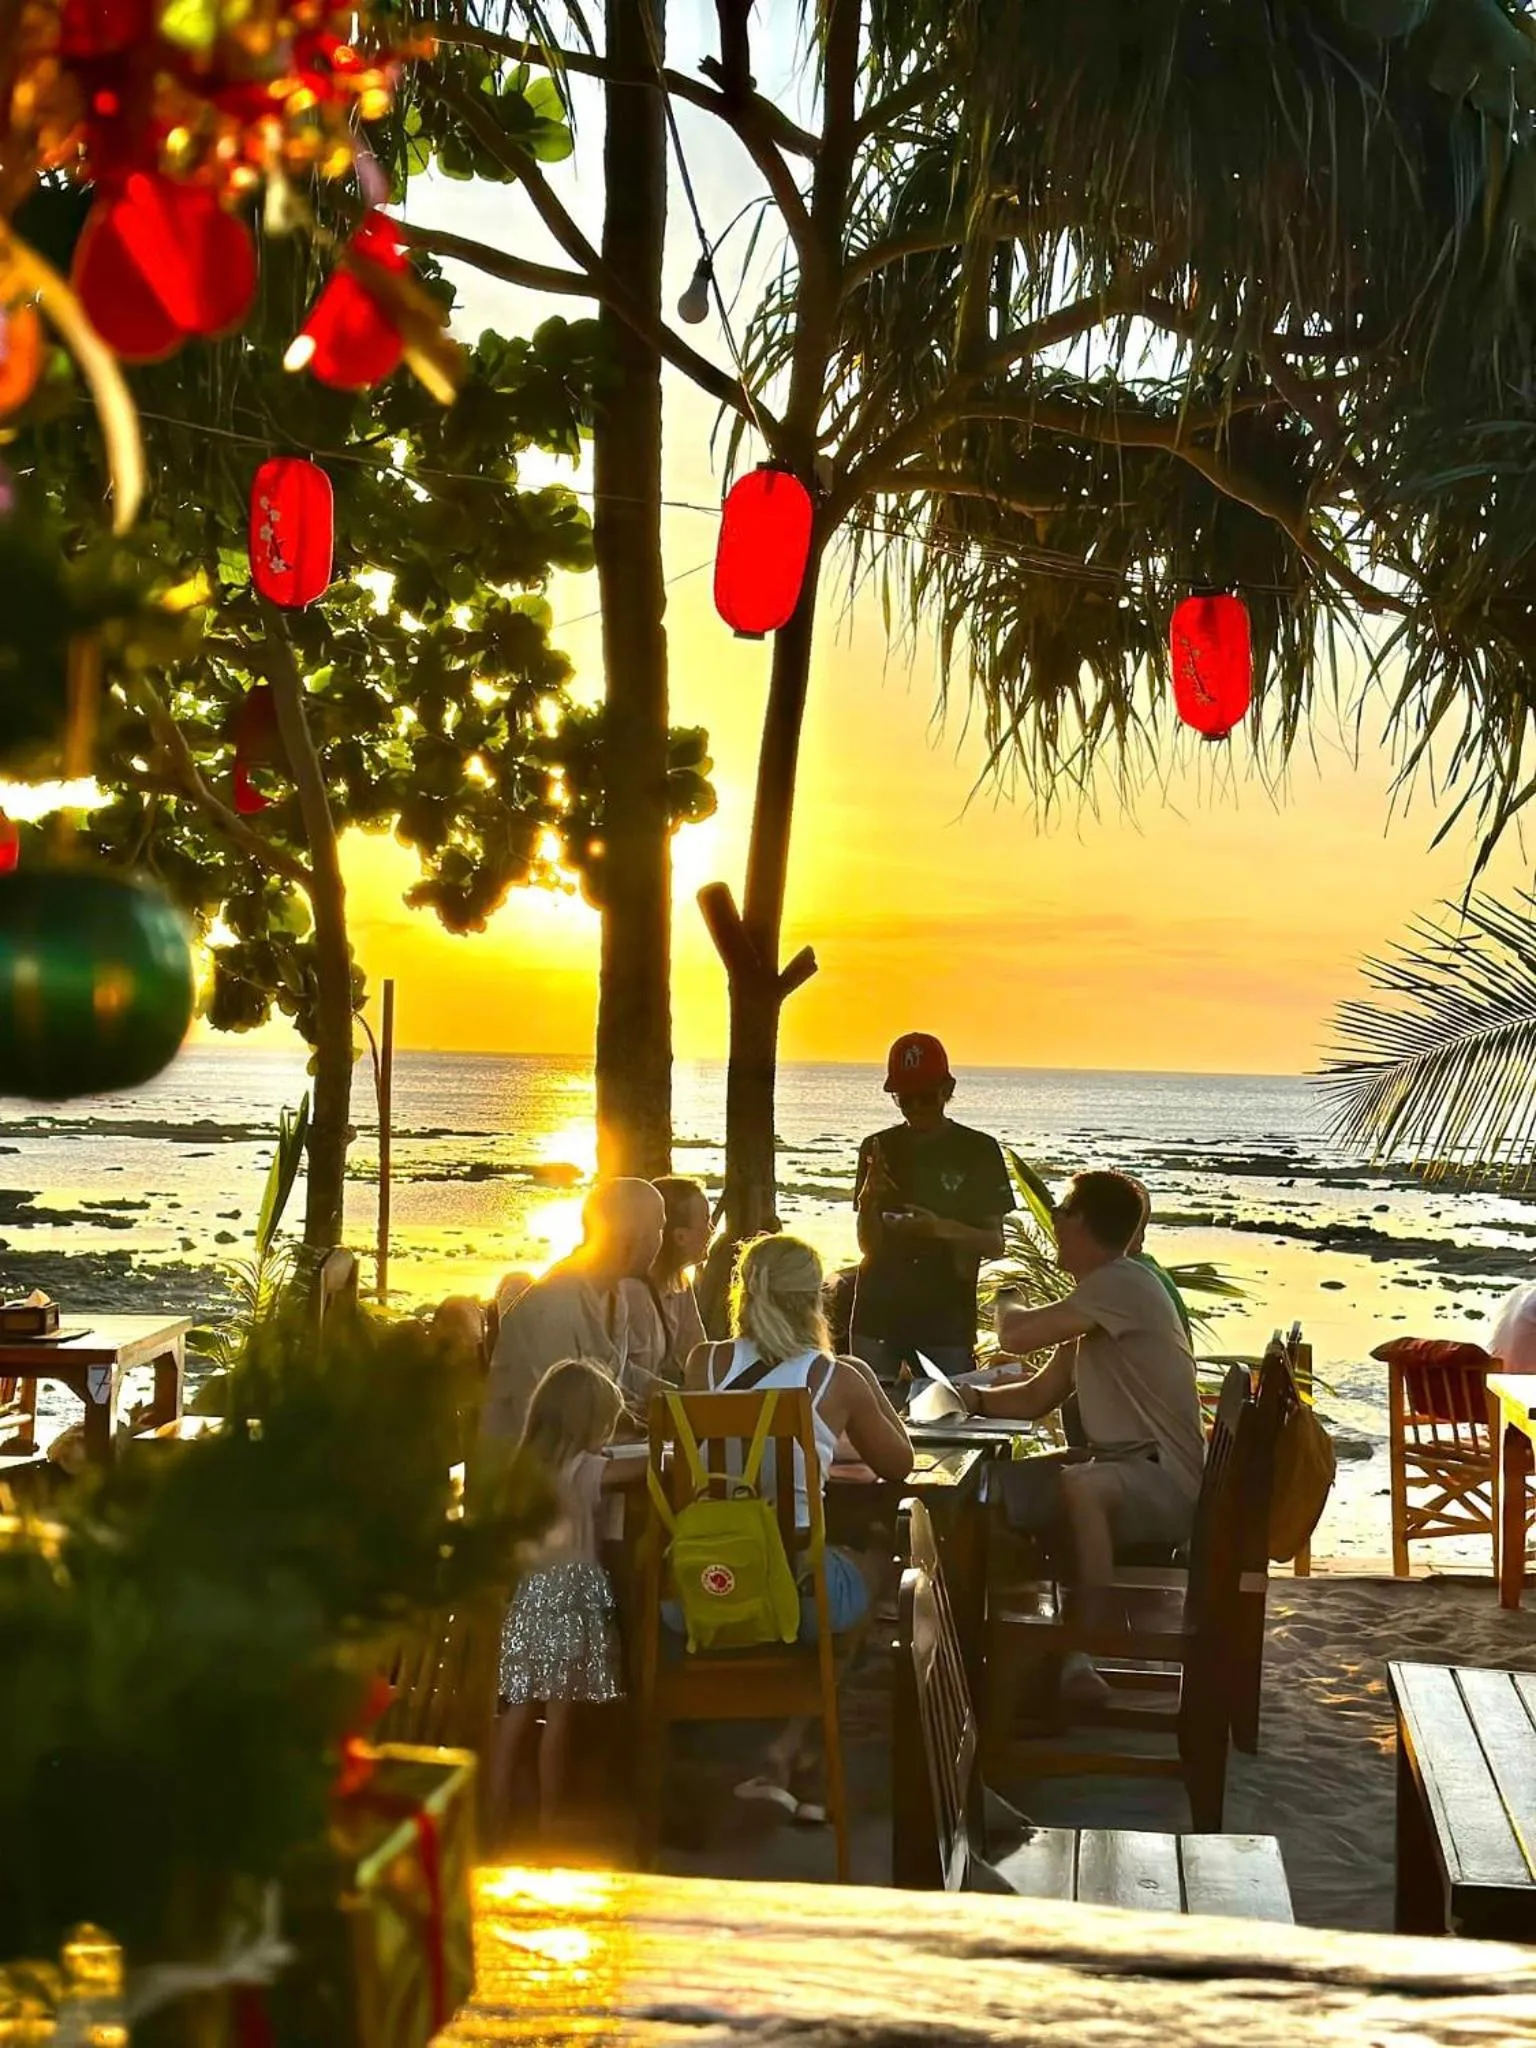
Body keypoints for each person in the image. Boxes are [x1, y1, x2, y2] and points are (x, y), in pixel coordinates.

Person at [683, 1233, 913, 1819]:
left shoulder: (703, 1362)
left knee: (825, 1579)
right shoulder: (836, 1378)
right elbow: (899, 1463)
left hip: (704, 1588)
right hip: (792, 1594)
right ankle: (792, 1745)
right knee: (879, 1561)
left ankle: (775, 1753)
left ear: (745, 1294)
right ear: (815, 1301)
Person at [958, 1169, 1205, 1706]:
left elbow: (1015, 1334)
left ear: (1084, 1223)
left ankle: (1083, 1649)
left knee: (1081, 1486)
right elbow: (1038, 1395)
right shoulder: (1095, 1298)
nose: (1055, 1222)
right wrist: (967, 1401)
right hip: (1125, 1465)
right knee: (994, 1489)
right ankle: (1005, 1646)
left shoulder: (1124, 1281)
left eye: (1062, 1211)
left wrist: (1007, 1297)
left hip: (1162, 1479)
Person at [487, 1358, 639, 1838]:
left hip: (529, 1594)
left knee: (514, 1709)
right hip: (570, 1597)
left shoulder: (525, 1468)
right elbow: (653, 1464)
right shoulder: (585, 1469)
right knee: (558, 1715)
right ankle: (549, 1817)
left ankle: (493, 1811)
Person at [851, 1033, 1014, 1392]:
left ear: (947, 1090)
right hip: (878, 1312)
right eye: (905, 1100)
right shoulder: (878, 1147)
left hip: (946, 1316)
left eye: (925, 1097)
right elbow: (868, 1246)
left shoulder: (978, 1150)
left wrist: (938, 1228)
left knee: (949, 1418)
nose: (916, 1108)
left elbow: (994, 1243)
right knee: (868, 1420)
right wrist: (868, 1201)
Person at [480, 1179, 667, 1444]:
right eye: (658, 1230)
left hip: (588, 1458)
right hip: (529, 1473)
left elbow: (620, 1372)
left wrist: (678, 1399)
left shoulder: (615, 1295)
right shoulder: (552, 1308)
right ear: (631, 1238)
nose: (661, 1242)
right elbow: (553, 1423)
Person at [632, 1176, 711, 1384]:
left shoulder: (679, 1280)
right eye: (706, 1221)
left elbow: (696, 1353)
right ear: (680, 1237)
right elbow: (623, 1374)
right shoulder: (629, 1291)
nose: (711, 1231)